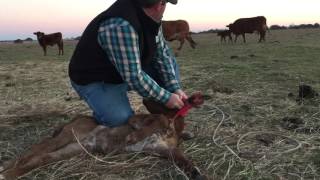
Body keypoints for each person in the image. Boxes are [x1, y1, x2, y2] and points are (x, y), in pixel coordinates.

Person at [68, 0, 187, 127]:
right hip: (96, 78)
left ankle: (167, 118)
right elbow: (134, 76)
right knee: (121, 121)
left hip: (125, 70)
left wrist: (175, 89)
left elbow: (162, 56)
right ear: (159, 5)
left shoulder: (152, 19)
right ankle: (101, 116)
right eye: (164, 3)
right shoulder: (121, 25)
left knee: (170, 65)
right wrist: (166, 97)